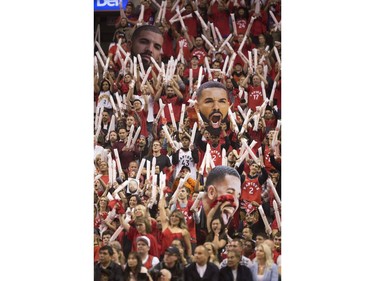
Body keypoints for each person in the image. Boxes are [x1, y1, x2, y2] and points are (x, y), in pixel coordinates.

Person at [200, 165, 242, 230]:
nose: (235, 203)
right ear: (211, 192)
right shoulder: (195, 217)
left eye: (238, 196)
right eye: (230, 192)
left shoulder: (230, 225)